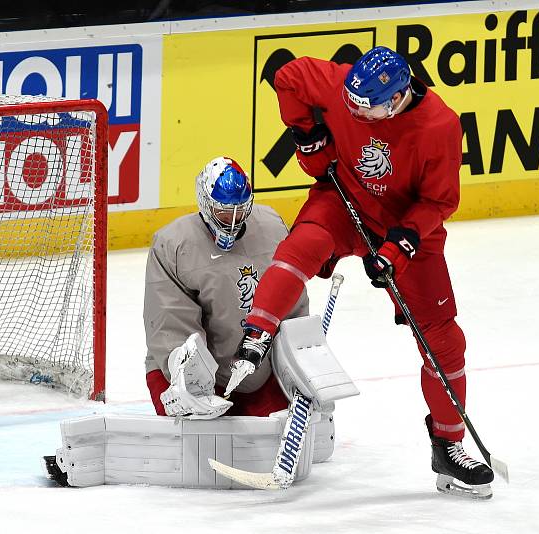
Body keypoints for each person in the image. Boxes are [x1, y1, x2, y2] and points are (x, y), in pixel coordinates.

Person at [226, 46, 495, 498]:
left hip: (406, 226)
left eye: (364, 106)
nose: (352, 110)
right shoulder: (343, 83)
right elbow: (288, 76)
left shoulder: (439, 126)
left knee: (445, 341)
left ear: (396, 98)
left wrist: (399, 245)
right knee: (301, 246)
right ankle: (257, 333)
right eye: (349, 101)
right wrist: (308, 133)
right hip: (343, 199)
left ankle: (448, 446)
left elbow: (439, 202)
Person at [143, 155, 309, 418]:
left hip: (261, 372)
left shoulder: (271, 227)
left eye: (240, 210)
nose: (233, 220)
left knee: (282, 437)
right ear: (205, 203)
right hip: (191, 373)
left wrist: (302, 358)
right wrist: (192, 383)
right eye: (224, 210)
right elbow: (169, 323)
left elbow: (292, 302)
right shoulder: (173, 245)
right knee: (200, 449)